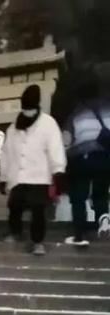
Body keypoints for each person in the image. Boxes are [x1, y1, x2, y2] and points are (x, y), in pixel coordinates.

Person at [0, 84, 67, 256]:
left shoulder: (48, 124)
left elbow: (56, 148)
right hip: (18, 176)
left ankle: (37, 242)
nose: (27, 111)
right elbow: (7, 153)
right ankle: (15, 232)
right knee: (14, 206)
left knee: (38, 210)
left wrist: (58, 171)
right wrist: (3, 176)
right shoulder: (13, 127)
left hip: (39, 177)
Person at [63, 76, 110, 246]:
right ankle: (103, 219)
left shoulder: (76, 113)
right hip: (105, 158)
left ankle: (79, 235)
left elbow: (66, 140)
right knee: (101, 194)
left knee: (79, 196)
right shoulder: (108, 109)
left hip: (82, 158)